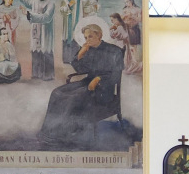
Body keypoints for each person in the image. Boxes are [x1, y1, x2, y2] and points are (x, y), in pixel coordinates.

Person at [37, 20, 126, 148]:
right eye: (85, 38)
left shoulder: (114, 51)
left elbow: (115, 76)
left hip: (104, 89)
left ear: (99, 35)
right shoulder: (88, 49)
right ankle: (49, 132)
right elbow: (80, 70)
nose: (87, 40)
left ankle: (60, 135)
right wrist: (81, 53)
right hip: (88, 83)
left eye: (90, 36)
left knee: (72, 97)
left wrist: (99, 79)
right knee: (57, 93)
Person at [17, 0, 57, 80]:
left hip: (45, 31)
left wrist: (28, 13)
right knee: (35, 50)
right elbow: (28, 0)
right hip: (35, 30)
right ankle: (36, 74)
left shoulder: (50, 3)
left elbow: (46, 17)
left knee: (46, 50)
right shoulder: (35, 1)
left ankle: (48, 75)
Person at [59, 0, 83, 64]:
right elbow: (62, 11)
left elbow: (82, 12)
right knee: (67, 41)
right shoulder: (65, 0)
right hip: (68, 26)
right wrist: (69, 5)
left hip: (77, 25)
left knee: (76, 41)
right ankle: (66, 60)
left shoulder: (80, 1)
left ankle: (75, 60)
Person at [119, 0, 143, 72]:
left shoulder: (137, 9)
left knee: (133, 47)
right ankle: (128, 64)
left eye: (127, 2)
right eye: (125, 2)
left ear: (131, 1)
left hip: (134, 29)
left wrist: (132, 16)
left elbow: (140, 19)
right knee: (127, 47)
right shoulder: (125, 10)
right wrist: (123, 17)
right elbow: (121, 20)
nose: (126, 4)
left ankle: (134, 64)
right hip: (126, 29)